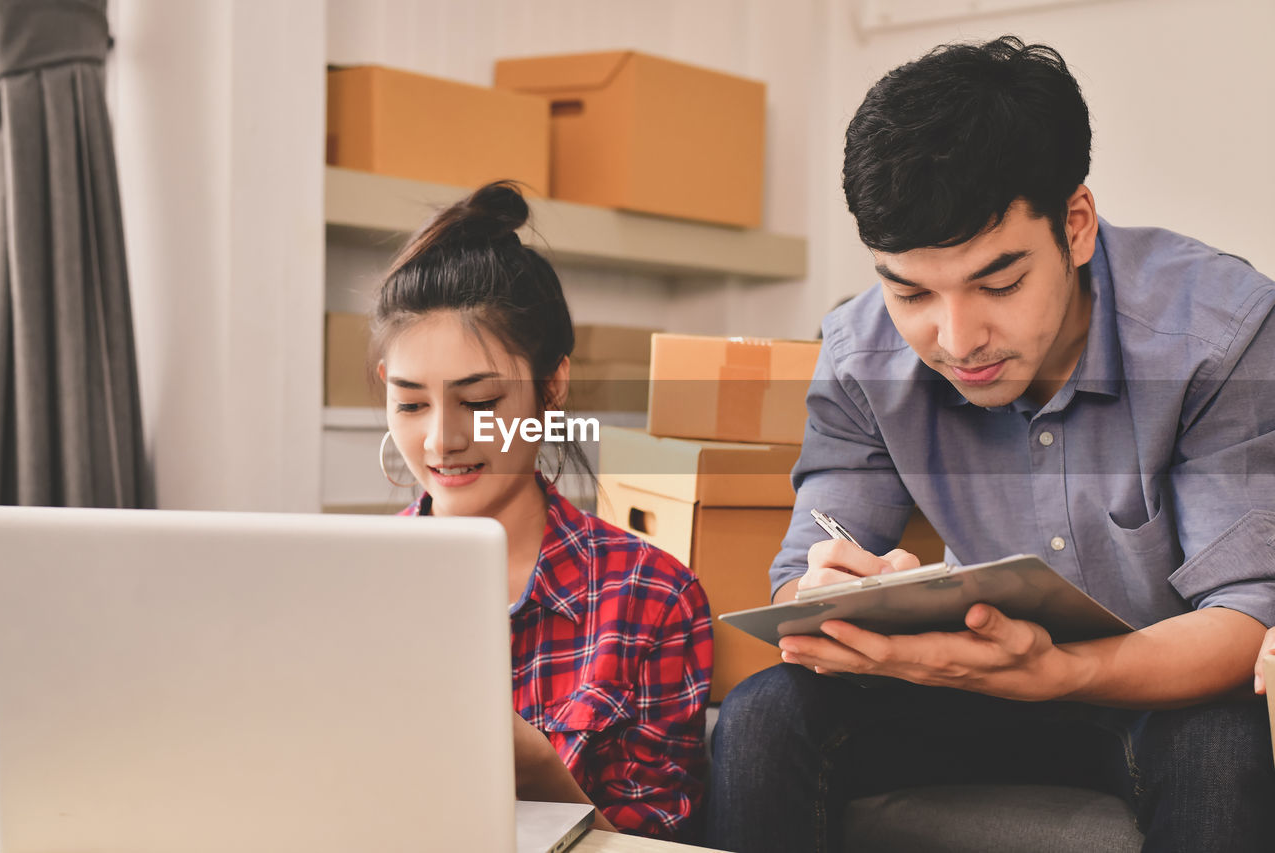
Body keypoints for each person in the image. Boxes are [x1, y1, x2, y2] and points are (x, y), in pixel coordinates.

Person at [706, 35, 1274, 852]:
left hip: (1164, 688)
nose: (956, 336)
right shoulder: (861, 353)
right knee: (761, 717)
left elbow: (1247, 617)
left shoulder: (1216, 332)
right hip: (963, 681)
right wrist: (849, 596)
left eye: (999, 282)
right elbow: (801, 581)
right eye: (909, 291)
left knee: (1228, 749)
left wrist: (1066, 669)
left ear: (1075, 225)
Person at [370, 181, 713, 840]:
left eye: (479, 401)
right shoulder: (351, 586)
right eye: (412, 403)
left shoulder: (653, 598)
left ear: (551, 383)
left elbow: (663, 841)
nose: (441, 440)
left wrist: (542, 774)